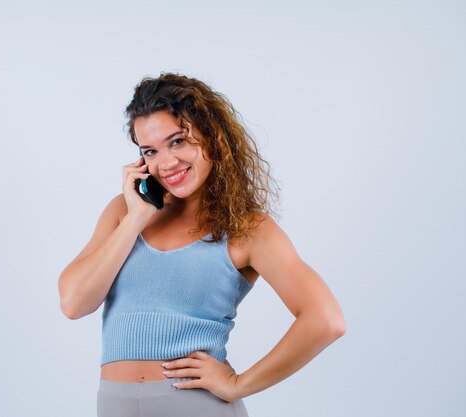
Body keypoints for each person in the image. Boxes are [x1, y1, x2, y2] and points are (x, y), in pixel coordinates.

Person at [58, 72, 346, 417]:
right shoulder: (124, 213)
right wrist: (137, 217)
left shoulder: (247, 229)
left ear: (211, 135)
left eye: (177, 141)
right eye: (151, 150)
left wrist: (238, 384)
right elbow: (74, 303)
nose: (166, 163)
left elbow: (326, 319)